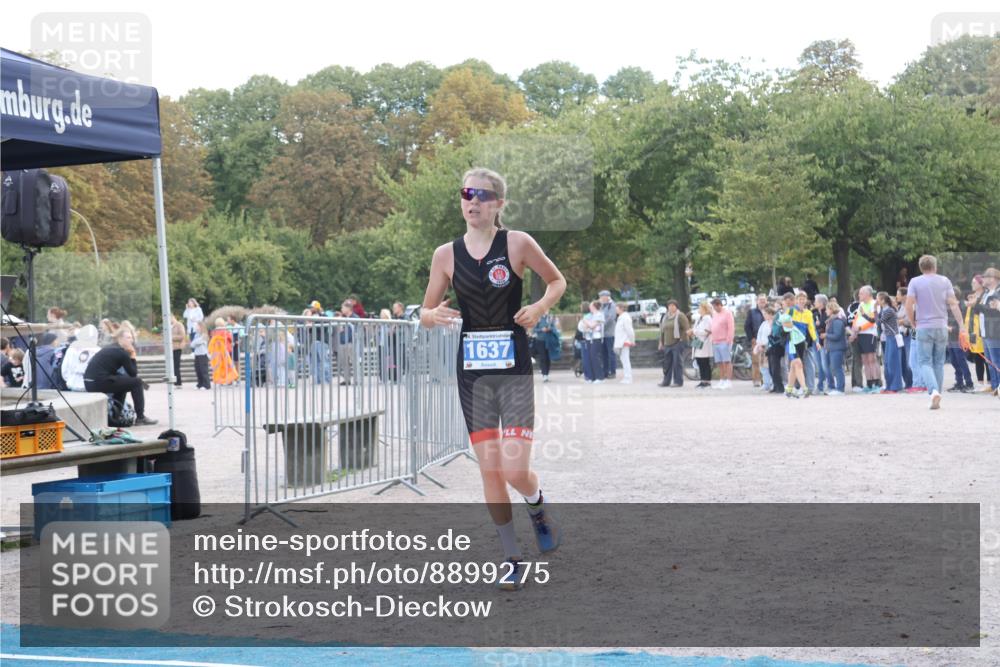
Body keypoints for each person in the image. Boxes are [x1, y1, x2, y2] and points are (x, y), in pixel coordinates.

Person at [419, 166, 566, 590]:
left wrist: (538, 308)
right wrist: (432, 315)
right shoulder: (445, 255)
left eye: (483, 195)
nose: (474, 201)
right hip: (473, 374)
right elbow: (425, 313)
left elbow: (557, 282)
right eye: (467, 193)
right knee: (489, 470)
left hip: (514, 368)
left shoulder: (517, 243)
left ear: (499, 204)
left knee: (516, 470)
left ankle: (537, 507)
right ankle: (511, 556)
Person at [904, 254, 969, 410]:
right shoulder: (944, 280)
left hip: (923, 326)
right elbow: (953, 304)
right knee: (939, 362)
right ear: (935, 266)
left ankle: (933, 392)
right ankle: (937, 394)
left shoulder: (915, 282)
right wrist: (961, 324)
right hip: (941, 326)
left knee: (924, 362)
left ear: (921, 267)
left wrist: (913, 322)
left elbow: (908, 305)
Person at [83, 328, 157, 425]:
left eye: (131, 338)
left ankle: (115, 416)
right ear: (120, 339)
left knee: (123, 385)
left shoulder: (111, 347)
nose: (131, 340)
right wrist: (133, 355)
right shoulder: (122, 352)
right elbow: (133, 373)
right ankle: (140, 417)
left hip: (89, 382)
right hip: (98, 382)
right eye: (128, 337)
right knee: (137, 382)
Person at [972, 267, 1000, 396]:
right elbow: (978, 311)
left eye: (985, 277)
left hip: (994, 331)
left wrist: (978, 306)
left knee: (996, 361)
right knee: (989, 362)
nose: (983, 279)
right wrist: (976, 303)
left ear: (993, 278)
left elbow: (991, 311)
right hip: (985, 331)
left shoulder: (997, 292)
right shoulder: (986, 293)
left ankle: (998, 386)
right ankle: (995, 386)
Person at [852, 286, 882, 393]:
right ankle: (869, 383)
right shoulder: (861, 304)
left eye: (861, 293)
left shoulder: (874, 304)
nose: (859, 295)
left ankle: (877, 383)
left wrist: (860, 328)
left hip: (870, 334)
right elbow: (856, 318)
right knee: (865, 360)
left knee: (871, 359)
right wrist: (854, 331)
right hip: (860, 335)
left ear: (868, 294)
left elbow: (873, 321)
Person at [945, 288, 974, 393]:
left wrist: (951, 328)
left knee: (961, 361)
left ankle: (969, 383)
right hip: (951, 339)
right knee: (954, 361)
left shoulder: (962, 306)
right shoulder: (948, 307)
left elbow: (965, 323)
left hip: (959, 338)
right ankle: (959, 383)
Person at [778, 300, 808, 399]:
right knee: (798, 364)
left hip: (800, 341)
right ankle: (804, 389)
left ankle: (789, 389)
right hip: (791, 343)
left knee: (793, 366)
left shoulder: (800, 312)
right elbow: (787, 326)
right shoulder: (783, 315)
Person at [658, 300, 689, 387]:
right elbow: (662, 331)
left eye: (673, 306)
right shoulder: (665, 317)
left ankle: (678, 381)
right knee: (667, 364)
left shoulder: (680, 316)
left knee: (677, 363)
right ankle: (666, 381)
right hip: (667, 344)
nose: (671, 307)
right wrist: (661, 342)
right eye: (669, 306)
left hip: (677, 343)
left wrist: (682, 339)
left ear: (676, 306)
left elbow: (686, 328)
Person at [876, 292, 903, 393]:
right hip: (888, 338)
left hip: (893, 338)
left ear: (883, 300)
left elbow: (878, 322)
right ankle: (889, 386)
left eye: (878, 299)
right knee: (887, 363)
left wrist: (874, 310)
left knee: (893, 362)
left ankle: (895, 386)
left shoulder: (889, 311)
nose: (876, 301)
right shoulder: (884, 310)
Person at [709, 298, 735, 389]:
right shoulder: (715, 314)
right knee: (719, 362)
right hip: (716, 341)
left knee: (726, 361)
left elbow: (731, 327)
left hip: (724, 341)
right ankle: (722, 380)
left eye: (715, 306)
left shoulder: (727, 313)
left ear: (719, 305)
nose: (714, 308)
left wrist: (729, 340)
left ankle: (728, 380)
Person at [964, 288, 987, 388]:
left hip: (981, 334)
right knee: (977, 359)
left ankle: (991, 383)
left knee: (986, 360)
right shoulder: (972, 300)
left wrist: (974, 301)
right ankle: (980, 382)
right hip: (972, 334)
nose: (972, 284)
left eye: (975, 282)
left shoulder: (982, 298)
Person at [824, 303, 848, 395]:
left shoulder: (837, 321)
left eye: (827, 309)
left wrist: (826, 335)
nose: (826, 311)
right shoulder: (831, 320)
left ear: (831, 309)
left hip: (837, 348)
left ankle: (840, 389)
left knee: (837, 368)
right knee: (834, 368)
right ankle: (838, 388)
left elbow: (837, 335)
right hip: (832, 347)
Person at [532, 309, 561, 383]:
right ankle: (544, 374)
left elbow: (555, 328)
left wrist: (549, 329)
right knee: (543, 357)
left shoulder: (551, 318)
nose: (546, 311)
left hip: (549, 340)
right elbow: (534, 330)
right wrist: (541, 330)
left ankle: (546, 373)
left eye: (547, 310)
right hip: (540, 340)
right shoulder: (538, 318)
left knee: (548, 358)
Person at [744, 295, 767, 387]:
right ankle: (757, 380)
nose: (762, 302)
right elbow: (747, 326)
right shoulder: (752, 312)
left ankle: (766, 380)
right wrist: (752, 338)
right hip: (756, 340)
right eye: (760, 300)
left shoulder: (770, 311)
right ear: (757, 301)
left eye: (764, 300)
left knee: (766, 361)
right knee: (756, 361)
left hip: (767, 340)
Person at [209, 318, 239, 386]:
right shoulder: (225, 331)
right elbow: (231, 338)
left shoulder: (215, 332)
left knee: (221, 366)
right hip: (226, 350)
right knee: (229, 365)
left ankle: (221, 380)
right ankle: (230, 380)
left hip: (218, 351)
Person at [691, 301, 714, 388]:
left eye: (700, 308)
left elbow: (705, 331)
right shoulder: (699, 318)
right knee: (700, 362)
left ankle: (707, 381)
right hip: (698, 342)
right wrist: (695, 331)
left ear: (704, 309)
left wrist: (694, 331)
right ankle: (702, 380)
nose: (699, 309)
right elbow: (695, 328)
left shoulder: (707, 318)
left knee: (705, 362)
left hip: (704, 343)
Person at [336, 300, 359, 386]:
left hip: (351, 342)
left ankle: (357, 380)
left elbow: (357, 330)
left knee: (354, 361)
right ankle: (347, 379)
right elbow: (340, 330)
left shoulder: (355, 317)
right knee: (344, 362)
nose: (341, 309)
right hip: (343, 342)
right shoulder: (343, 318)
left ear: (348, 308)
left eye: (343, 307)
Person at [583, 301, 606, 384]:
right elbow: (585, 328)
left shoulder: (599, 315)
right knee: (590, 357)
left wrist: (586, 322)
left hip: (596, 338)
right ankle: (592, 377)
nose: (589, 307)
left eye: (590, 305)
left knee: (595, 357)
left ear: (594, 307)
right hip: (589, 338)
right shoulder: (591, 315)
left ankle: (599, 377)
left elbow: (592, 326)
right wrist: (587, 324)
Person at [753, 306, 775, 391]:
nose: (764, 315)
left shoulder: (774, 323)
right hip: (762, 347)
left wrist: (765, 344)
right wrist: (758, 344)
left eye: (765, 314)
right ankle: (766, 383)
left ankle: (772, 383)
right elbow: (759, 335)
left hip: (769, 347)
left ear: (770, 314)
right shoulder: (763, 324)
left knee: (770, 366)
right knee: (763, 367)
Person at [613, 303, 635, 384]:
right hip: (621, 342)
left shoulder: (625, 318)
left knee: (626, 360)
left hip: (624, 342)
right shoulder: (621, 318)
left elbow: (630, 331)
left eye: (617, 308)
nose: (616, 309)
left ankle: (628, 377)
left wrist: (632, 341)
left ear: (621, 308)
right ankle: (626, 376)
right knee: (624, 360)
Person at [598, 290, 616, 379]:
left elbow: (611, 318)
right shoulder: (602, 306)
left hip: (609, 333)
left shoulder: (612, 305)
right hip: (602, 334)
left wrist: (601, 326)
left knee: (611, 353)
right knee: (603, 354)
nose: (600, 299)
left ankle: (612, 372)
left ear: (606, 297)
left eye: (601, 297)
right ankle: (605, 372)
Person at [191, 322, 212, 390]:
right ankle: (200, 384)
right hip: (197, 354)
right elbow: (192, 344)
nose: (196, 327)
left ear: (201, 327)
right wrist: (196, 342)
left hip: (203, 354)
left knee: (204, 370)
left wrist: (196, 342)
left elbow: (197, 342)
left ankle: (206, 385)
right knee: (198, 370)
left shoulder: (204, 335)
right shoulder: (196, 335)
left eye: (197, 326)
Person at [170, 314, 186, 388]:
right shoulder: (170, 326)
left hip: (177, 347)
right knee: (172, 366)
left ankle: (178, 383)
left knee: (176, 366)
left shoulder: (179, 325)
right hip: (170, 348)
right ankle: (175, 382)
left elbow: (182, 336)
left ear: (173, 317)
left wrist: (171, 337)